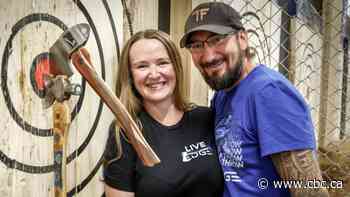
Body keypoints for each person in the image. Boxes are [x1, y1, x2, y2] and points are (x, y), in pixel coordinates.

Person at [180, 2, 329, 197]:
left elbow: (311, 191)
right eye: (197, 45)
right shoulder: (222, 95)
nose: (208, 56)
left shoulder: (269, 93)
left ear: (242, 39)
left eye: (217, 39)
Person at [103, 29, 223, 197]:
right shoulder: (125, 133)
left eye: (162, 63)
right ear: (130, 75)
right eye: (142, 66)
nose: (154, 74)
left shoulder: (206, 118)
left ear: (176, 67)